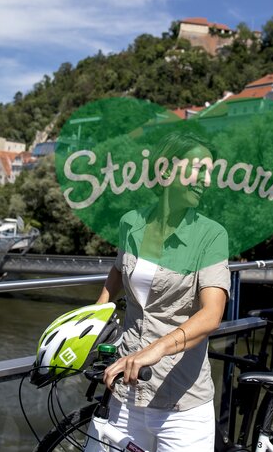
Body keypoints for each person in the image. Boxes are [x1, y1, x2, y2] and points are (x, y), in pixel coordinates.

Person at [95, 131, 231, 452]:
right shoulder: (131, 223)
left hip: (180, 403)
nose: (207, 179)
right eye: (199, 168)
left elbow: (211, 315)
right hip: (125, 392)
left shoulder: (211, 235)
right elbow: (118, 270)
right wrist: (92, 318)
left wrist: (156, 349)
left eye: (210, 172)